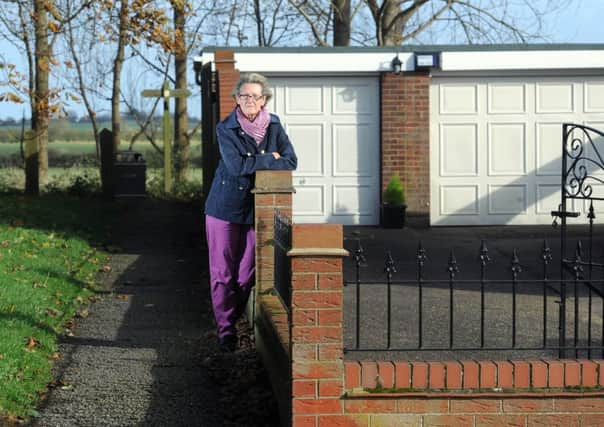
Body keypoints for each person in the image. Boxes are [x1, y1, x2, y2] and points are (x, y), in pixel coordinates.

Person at [204, 73, 297, 352]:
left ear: (264, 99)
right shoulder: (226, 128)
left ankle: (233, 314)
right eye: (244, 96)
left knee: (246, 273)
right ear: (236, 98)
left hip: (256, 210)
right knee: (222, 273)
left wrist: (255, 160)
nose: (250, 101)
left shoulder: (275, 126)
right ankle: (226, 332)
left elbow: (291, 160)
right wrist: (270, 159)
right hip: (223, 208)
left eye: (255, 96)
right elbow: (235, 167)